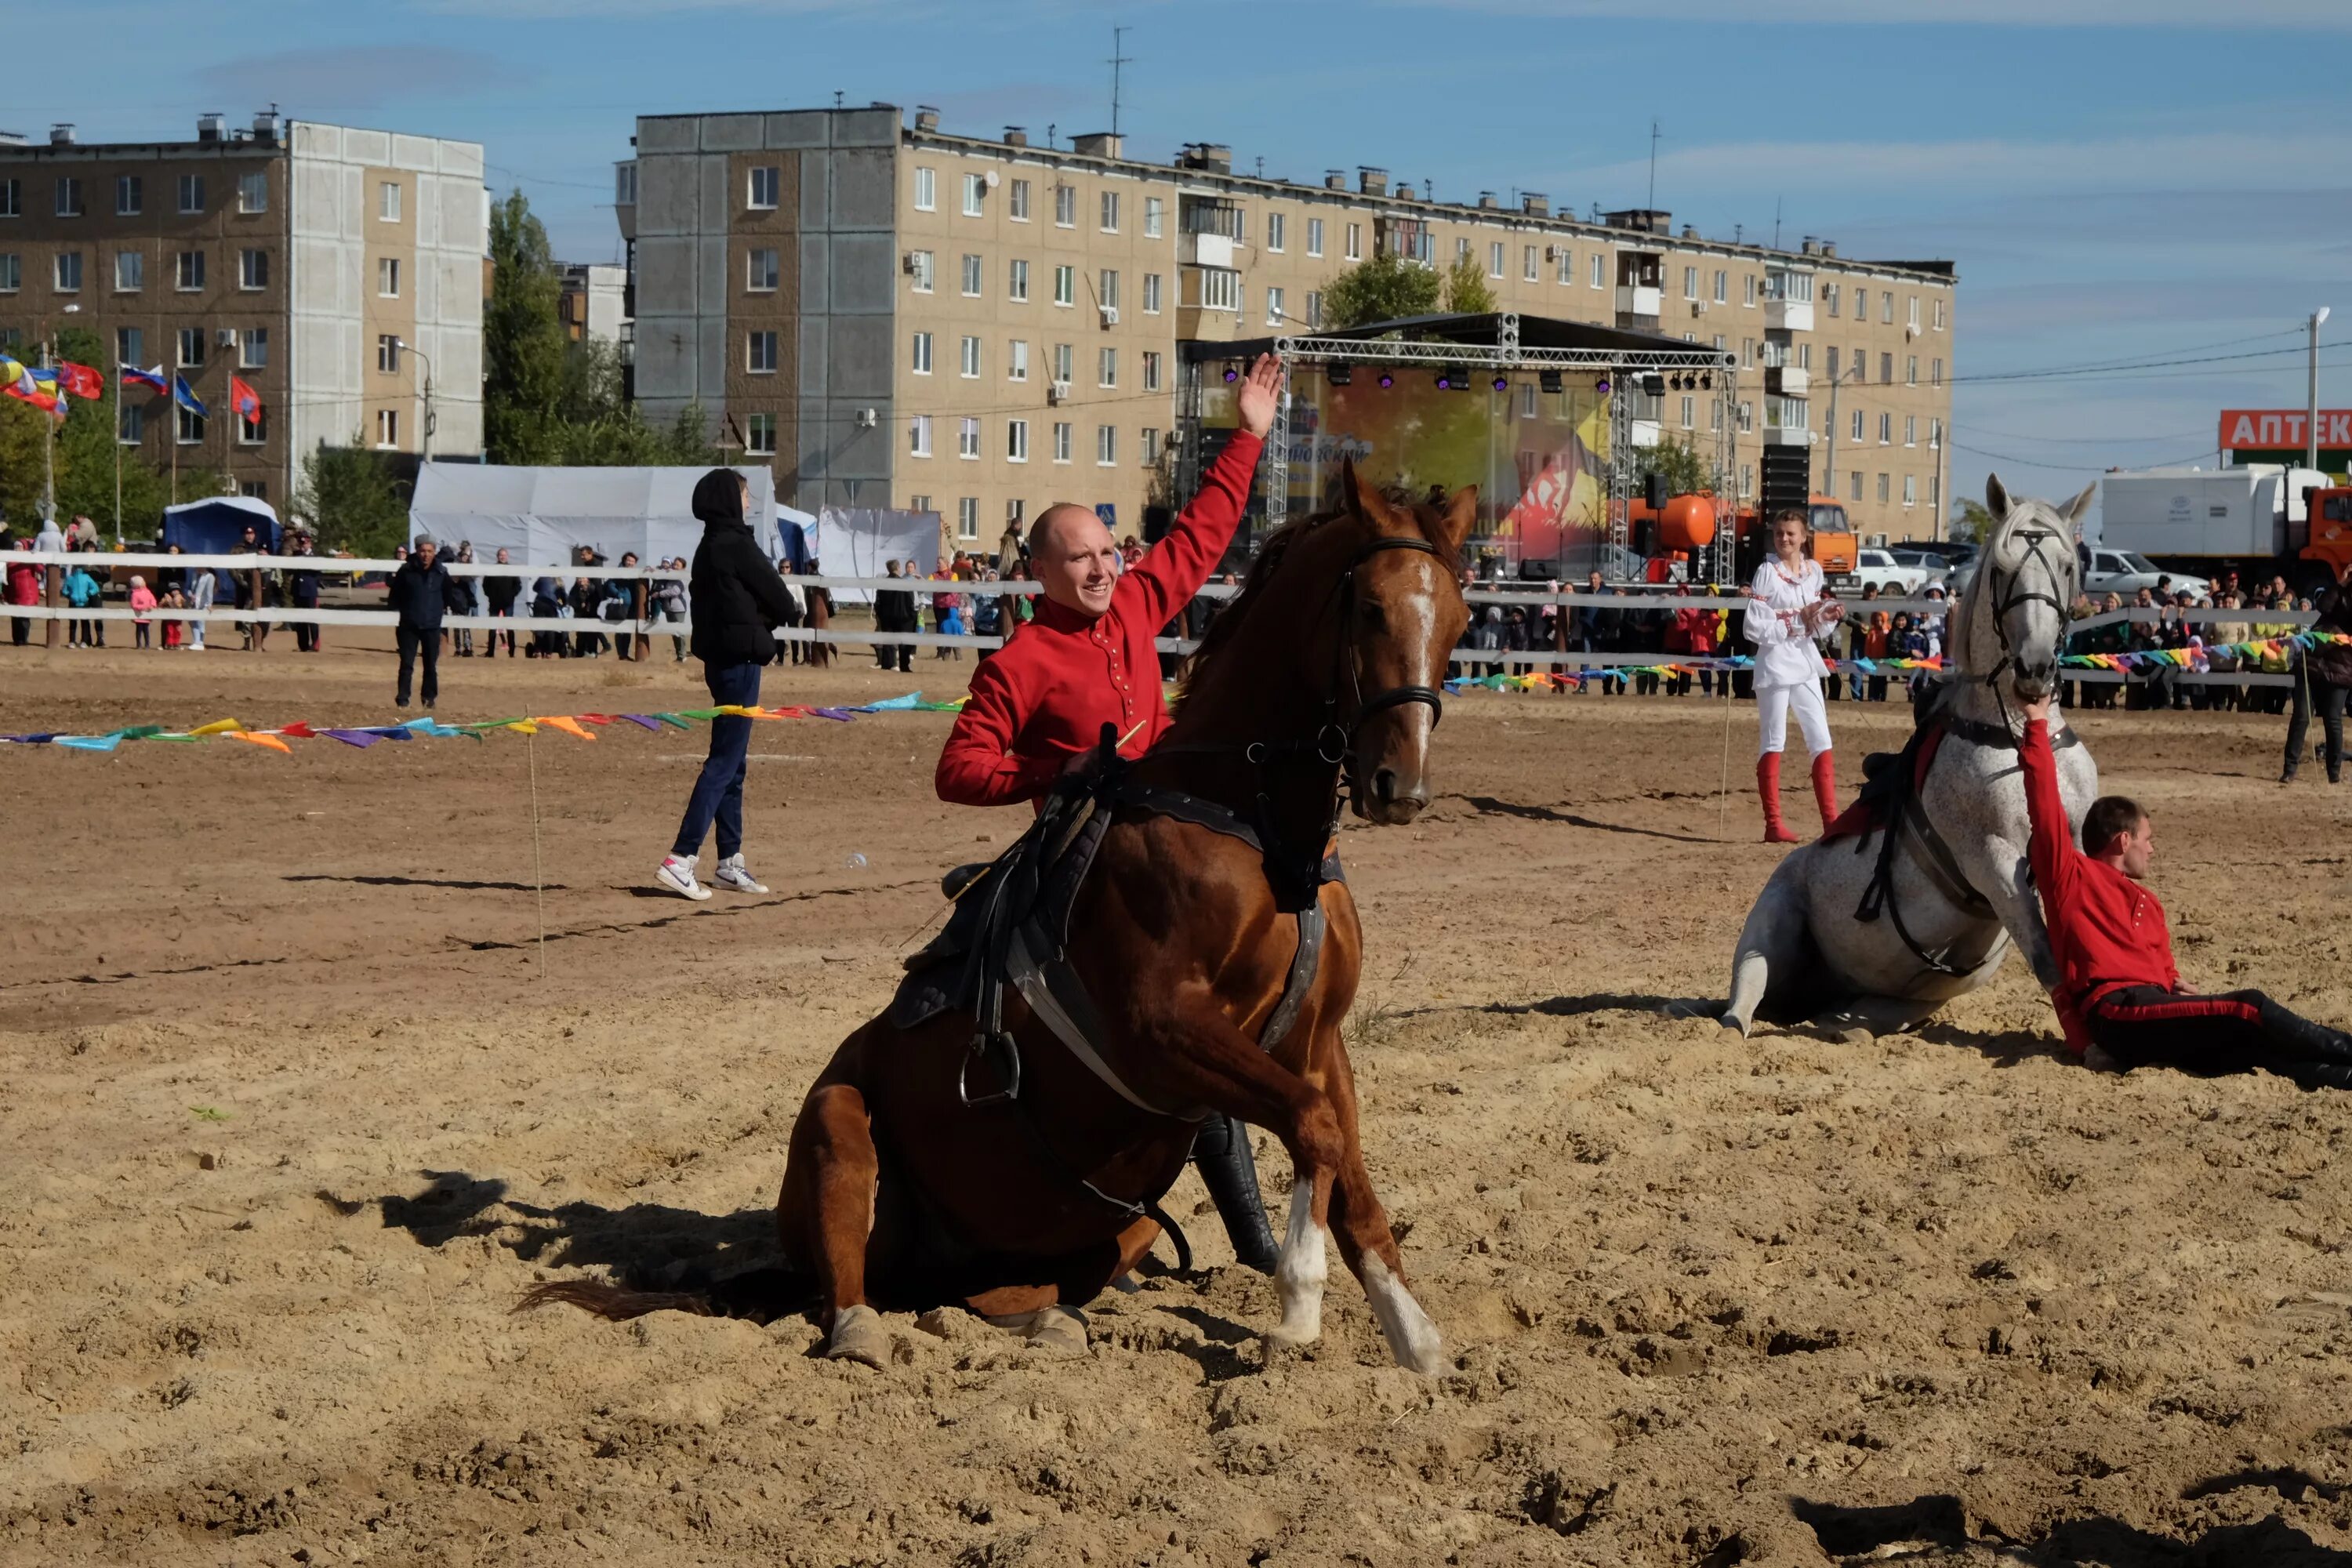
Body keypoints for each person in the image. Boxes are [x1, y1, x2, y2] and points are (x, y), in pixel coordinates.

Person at [935, 352, 1284, 1275]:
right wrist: (1052, 767)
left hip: (1168, 850)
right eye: (1080, 557)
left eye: (1108, 550)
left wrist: (1246, 432)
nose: (1101, 568)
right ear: (1043, 572)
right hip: (1083, 859)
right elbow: (958, 770)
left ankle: (1251, 1244)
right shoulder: (1017, 663)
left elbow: (1206, 530)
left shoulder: (1136, 599)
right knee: (1178, 1040)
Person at [2016, 691, 2352, 1087]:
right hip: (2116, 1012)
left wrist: (2175, 985)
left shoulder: (2149, 903)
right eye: (2148, 838)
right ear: (2124, 841)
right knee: (2249, 1006)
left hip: (2151, 1007)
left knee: (2255, 1050)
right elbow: (2044, 802)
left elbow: (2164, 971)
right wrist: (2036, 723)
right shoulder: (2070, 876)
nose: (2153, 848)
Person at [655, 470, 800, 902]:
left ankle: (729, 860)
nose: (749, 500)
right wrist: (763, 622)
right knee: (724, 763)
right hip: (741, 664)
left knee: (734, 764)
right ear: (728, 499)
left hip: (720, 662)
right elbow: (781, 600)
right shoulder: (737, 544)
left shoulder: (706, 547)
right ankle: (681, 858)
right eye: (744, 493)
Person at [1743, 508, 1842, 842]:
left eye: (1790, 533)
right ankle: (1774, 824)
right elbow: (1753, 626)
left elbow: (1816, 625)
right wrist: (1792, 622)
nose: (1784, 539)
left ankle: (1832, 822)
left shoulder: (1813, 572)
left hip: (1804, 660)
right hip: (1774, 662)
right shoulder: (1767, 572)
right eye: (1779, 533)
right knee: (1774, 740)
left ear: (1803, 537)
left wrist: (1828, 615)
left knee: (1821, 737)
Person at [2282, 586, 2352, 784]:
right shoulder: (2338, 591)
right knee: (2301, 716)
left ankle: (2334, 772)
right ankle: (2289, 769)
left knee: (2333, 719)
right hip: (2313, 663)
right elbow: (2322, 605)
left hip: (2341, 667)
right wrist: (2339, 584)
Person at [389, 535, 452, 710]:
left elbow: (447, 595)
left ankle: (429, 697)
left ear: (434, 552)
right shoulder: (406, 571)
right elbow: (395, 595)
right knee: (407, 664)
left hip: (432, 625)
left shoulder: (441, 572)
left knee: (430, 665)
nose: (426, 555)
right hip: (409, 625)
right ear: (417, 551)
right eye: (423, 551)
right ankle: (403, 698)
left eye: (430, 551)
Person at [873, 560, 916, 673]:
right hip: (903, 617)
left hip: (887, 617)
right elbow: (910, 601)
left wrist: (880, 615)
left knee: (888, 640)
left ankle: (888, 664)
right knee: (904, 642)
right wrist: (912, 614)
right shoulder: (904, 583)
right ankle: (904, 666)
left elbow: (878, 602)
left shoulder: (883, 584)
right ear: (898, 568)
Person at [286, 533, 322, 653]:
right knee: (300, 620)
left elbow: (317, 574)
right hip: (298, 590)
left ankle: (315, 644)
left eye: (305, 543)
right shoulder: (296, 555)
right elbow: (289, 570)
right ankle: (303, 645)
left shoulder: (315, 556)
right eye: (301, 543)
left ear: (310, 543)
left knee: (312, 619)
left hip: (310, 590)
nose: (303, 546)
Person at [483, 550, 521, 657]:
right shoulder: (492, 569)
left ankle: (512, 652)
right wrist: (490, 595)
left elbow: (518, 585)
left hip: (508, 603)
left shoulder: (512, 570)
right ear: (497, 556)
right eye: (501, 555)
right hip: (494, 603)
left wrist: (512, 595)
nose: (502, 557)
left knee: (509, 627)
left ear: (507, 557)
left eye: (504, 555)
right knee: (492, 627)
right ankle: (490, 651)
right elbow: (485, 585)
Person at [128, 574, 155, 648]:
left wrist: (152, 606)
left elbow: (153, 600)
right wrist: (143, 608)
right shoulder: (135, 594)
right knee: (139, 630)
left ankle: (147, 644)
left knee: (146, 631)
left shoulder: (148, 592)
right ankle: (138, 644)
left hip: (147, 616)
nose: (144, 582)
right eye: (143, 581)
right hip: (138, 616)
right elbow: (134, 605)